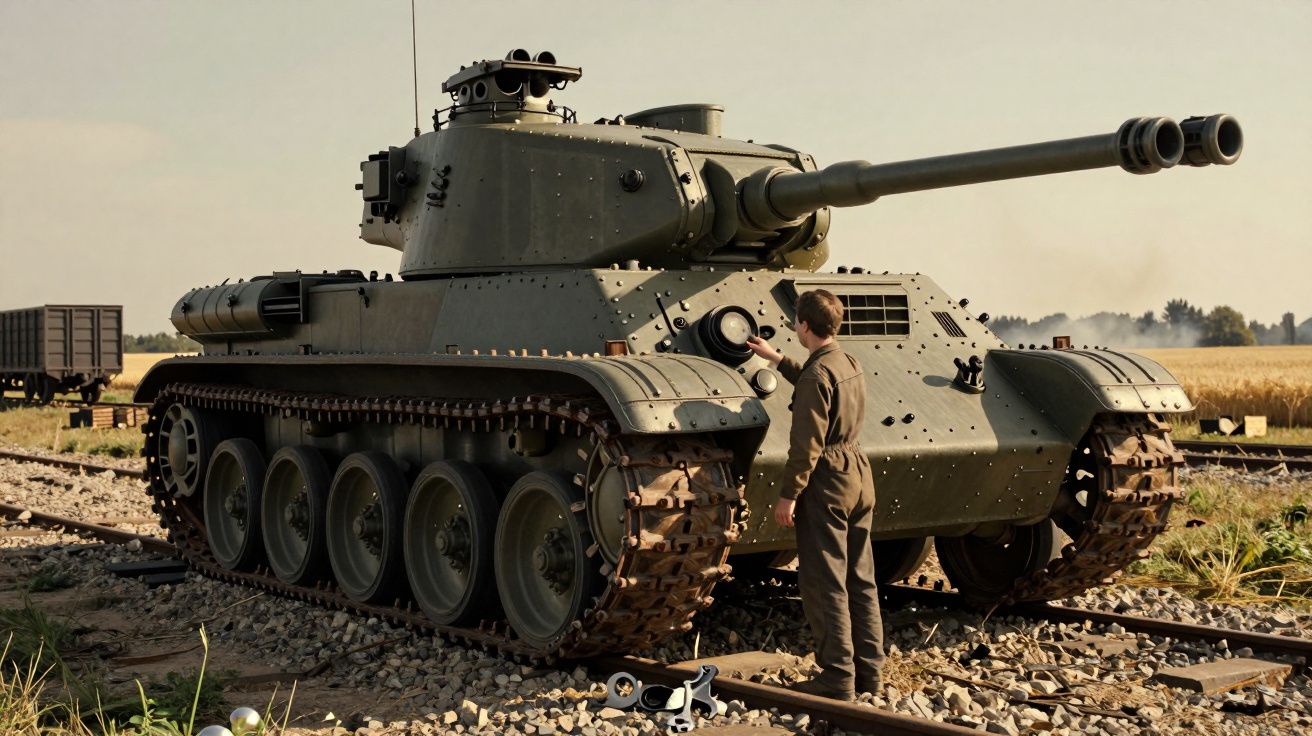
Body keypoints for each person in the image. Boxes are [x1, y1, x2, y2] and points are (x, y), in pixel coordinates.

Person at [745, 289, 883, 702]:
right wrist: (776, 358)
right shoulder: (847, 362)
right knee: (860, 579)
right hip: (858, 472)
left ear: (803, 326)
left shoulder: (815, 376)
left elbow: (805, 445)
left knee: (824, 581)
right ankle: (869, 672)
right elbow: (817, 380)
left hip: (827, 479)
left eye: (796, 323)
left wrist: (789, 495)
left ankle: (837, 677)